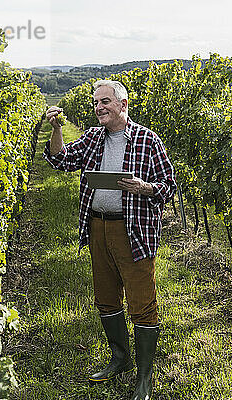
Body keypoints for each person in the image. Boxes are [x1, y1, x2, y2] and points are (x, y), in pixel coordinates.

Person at [44, 79, 176, 400]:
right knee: (106, 297)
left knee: (142, 303)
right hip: (98, 227)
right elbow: (61, 160)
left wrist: (144, 188)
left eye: (105, 102)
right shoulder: (91, 138)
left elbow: (168, 185)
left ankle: (143, 377)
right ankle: (121, 359)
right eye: (96, 103)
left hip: (133, 228)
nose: (99, 108)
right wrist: (57, 128)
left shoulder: (147, 140)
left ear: (122, 105)